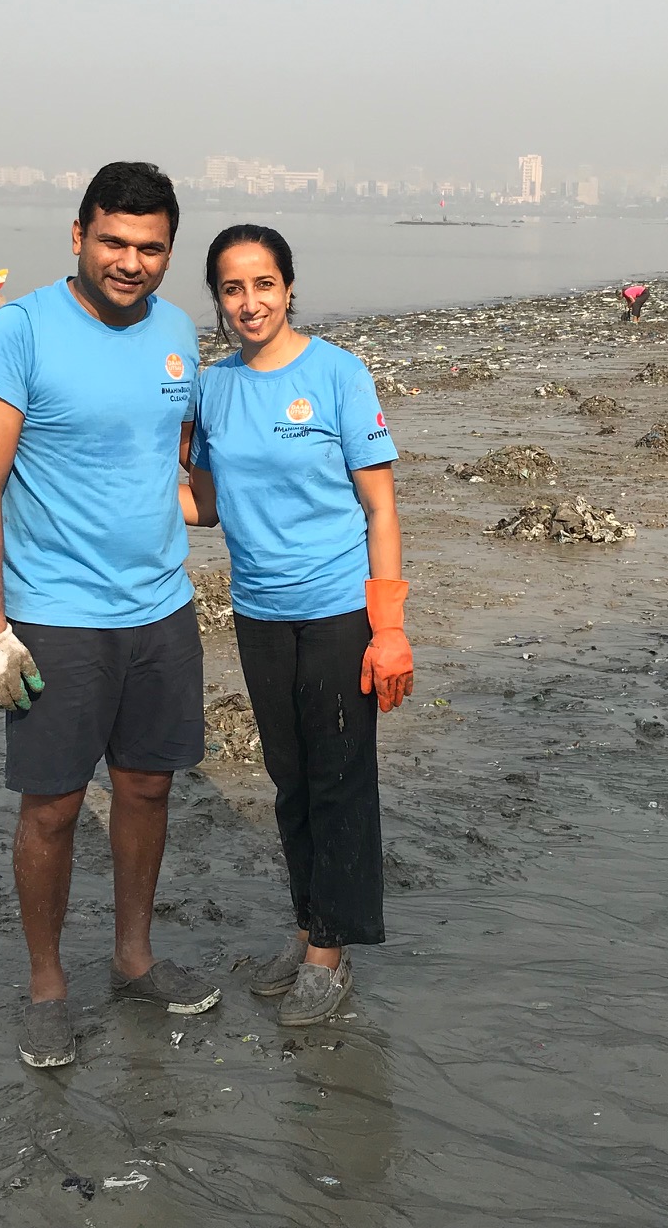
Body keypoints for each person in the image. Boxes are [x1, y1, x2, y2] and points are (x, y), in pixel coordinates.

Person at [0, 161, 221, 1070]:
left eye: (151, 248)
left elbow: (180, 468)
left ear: (169, 253)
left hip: (161, 608)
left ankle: (134, 958)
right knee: (55, 807)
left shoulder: (180, 333)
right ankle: (45, 987)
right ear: (78, 236)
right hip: (56, 616)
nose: (130, 262)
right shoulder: (18, 331)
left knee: (148, 788)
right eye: (113, 241)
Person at [183, 224, 412, 1026]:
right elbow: (205, 506)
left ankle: (330, 956)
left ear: (289, 288)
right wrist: (110, 495)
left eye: (264, 285)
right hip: (259, 613)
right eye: (233, 289)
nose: (250, 303)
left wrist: (390, 628)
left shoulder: (339, 374)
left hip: (341, 610)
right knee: (289, 785)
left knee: (340, 781)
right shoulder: (211, 388)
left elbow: (380, 507)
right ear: (218, 300)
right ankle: (310, 924)